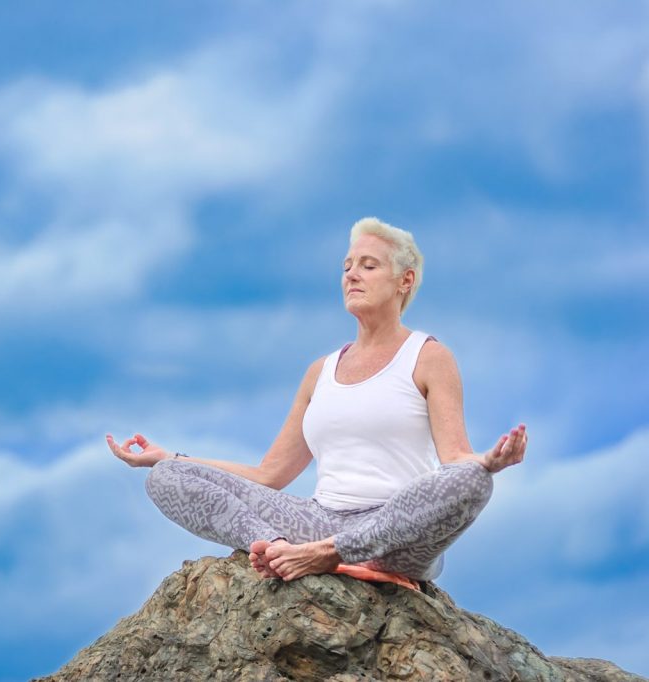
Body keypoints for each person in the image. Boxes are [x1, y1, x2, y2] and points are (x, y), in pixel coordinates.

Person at [105, 217, 527, 583]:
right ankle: (278, 550)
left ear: (405, 280)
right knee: (163, 477)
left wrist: (488, 461)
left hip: (396, 532)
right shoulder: (319, 371)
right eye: (346, 267)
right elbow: (269, 474)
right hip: (318, 520)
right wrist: (170, 457)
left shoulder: (429, 356)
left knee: (474, 482)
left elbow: (456, 458)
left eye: (368, 265)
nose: (351, 275)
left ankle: (326, 556)